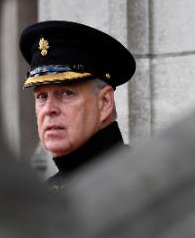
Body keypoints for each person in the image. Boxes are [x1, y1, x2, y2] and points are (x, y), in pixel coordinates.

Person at [19, 20, 136, 191]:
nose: (49, 109)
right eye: (42, 96)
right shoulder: (49, 190)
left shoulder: (132, 182)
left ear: (105, 102)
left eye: (66, 93)